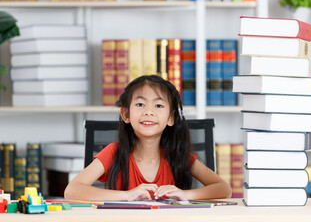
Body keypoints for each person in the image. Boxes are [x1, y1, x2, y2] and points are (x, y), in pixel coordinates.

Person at [64, 75, 231, 201]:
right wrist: (127, 196)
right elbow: (72, 191)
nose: (148, 111)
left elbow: (223, 189)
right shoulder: (113, 152)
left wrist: (184, 194)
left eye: (158, 105)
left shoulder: (179, 155)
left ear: (171, 118)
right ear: (126, 114)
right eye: (140, 104)